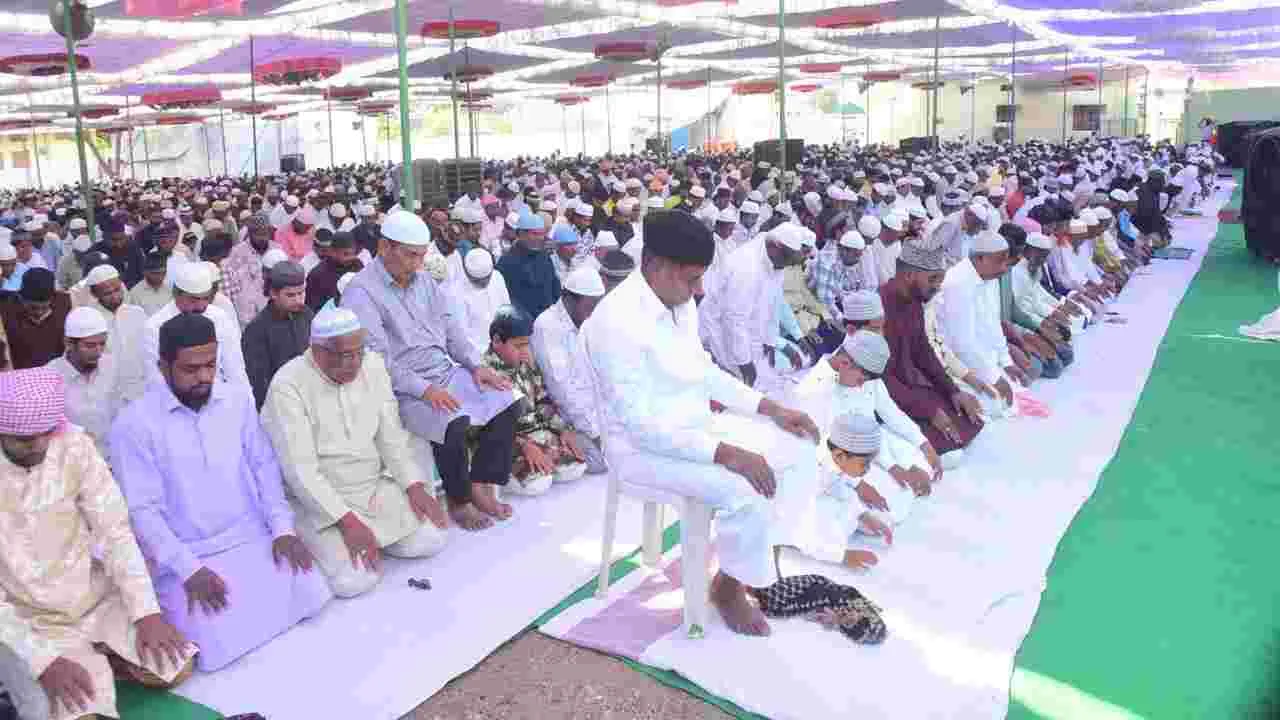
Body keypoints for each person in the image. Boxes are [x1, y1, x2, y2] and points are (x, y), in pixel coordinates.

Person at [579, 210, 821, 636]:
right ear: (656, 266)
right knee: (746, 489)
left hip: (695, 428)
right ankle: (731, 587)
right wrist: (728, 455)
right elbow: (640, 427)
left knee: (800, 450)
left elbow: (704, 371)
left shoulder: (679, 301)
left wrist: (772, 409)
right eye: (692, 279)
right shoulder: (614, 323)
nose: (700, 290)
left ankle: (739, 570)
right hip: (640, 452)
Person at [109, 313, 332, 672]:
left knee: (313, 595)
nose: (203, 376)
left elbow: (263, 467)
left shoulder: (237, 400)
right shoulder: (133, 425)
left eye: (210, 365)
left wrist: (282, 530)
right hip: (191, 555)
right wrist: (188, 570)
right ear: (163, 367)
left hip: (251, 536)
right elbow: (142, 511)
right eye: (190, 368)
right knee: (220, 650)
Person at [0, 368, 195, 720]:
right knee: (78, 715)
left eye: (46, 434)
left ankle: (108, 656)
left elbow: (115, 531)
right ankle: (82, 666)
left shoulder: (73, 445)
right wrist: (42, 661)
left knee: (177, 666)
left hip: (93, 598)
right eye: (25, 440)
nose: (39, 446)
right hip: (30, 621)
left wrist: (146, 612)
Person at [343, 211, 520, 532]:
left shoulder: (424, 280)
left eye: (422, 256)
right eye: (411, 255)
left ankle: (480, 484)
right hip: (401, 389)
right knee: (452, 422)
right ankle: (459, 500)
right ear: (384, 247)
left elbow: (451, 328)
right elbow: (376, 361)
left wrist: (476, 365)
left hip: (445, 372)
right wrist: (424, 390)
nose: (417, 264)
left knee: (508, 399)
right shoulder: (361, 291)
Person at [262, 305, 449, 598]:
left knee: (432, 538)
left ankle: (372, 537)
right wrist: (347, 522)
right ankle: (356, 539)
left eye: (359, 351)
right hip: (320, 504)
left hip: (370, 488)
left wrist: (413, 485)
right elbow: (301, 472)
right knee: (354, 581)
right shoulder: (288, 385)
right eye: (346, 355)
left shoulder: (372, 365)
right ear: (318, 351)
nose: (355, 363)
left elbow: (390, 435)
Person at [879, 239, 984, 460]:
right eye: (933, 279)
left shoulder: (914, 302)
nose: (938, 286)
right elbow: (877, 377)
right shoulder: (878, 308)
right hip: (883, 393)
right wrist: (927, 410)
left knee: (968, 419)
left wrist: (952, 390)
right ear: (909, 275)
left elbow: (923, 352)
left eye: (940, 279)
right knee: (950, 454)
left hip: (909, 385)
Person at [480, 305, 590, 495]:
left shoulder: (525, 362)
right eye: (518, 346)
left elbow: (543, 402)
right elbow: (486, 429)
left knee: (575, 468)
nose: (524, 351)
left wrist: (563, 430)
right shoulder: (483, 373)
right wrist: (523, 446)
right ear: (497, 341)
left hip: (537, 435)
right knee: (538, 484)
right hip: (507, 444)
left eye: (526, 344)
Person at [703, 225, 807, 390]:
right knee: (736, 387)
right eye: (787, 261)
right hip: (721, 330)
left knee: (764, 384)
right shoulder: (747, 266)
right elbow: (734, 319)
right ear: (775, 247)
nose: (786, 266)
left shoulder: (776, 259)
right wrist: (744, 362)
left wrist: (770, 340)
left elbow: (773, 304)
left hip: (748, 332)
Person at [937, 230, 1026, 419]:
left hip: (982, 357)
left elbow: (993, 324)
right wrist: (994, 377)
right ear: (980, 258)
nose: (1004, 268)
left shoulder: (989, 276)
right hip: (955, 361)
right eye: (999, 261)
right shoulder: (957, 283)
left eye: (1005, 261)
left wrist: (1006, 361)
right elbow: (962, 344)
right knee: (994, 405)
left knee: (1016, 387)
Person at [530, 266, 608, 474]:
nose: (593, 313)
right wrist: (595, 432)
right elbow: (561, 389)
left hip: (593, 413)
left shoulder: (586, 321)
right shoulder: (547, 326)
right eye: (590, 306)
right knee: (600, 461)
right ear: (570, 299)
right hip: (562, 418)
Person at [799, 412, 896, 569]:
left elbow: (842, 490)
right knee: (825, 523)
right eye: (865, 464)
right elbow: (796, 521)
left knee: (880, 516)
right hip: (797, 513)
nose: (868, 470)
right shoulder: (811, 474)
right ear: (840, 456)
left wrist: (864, 516)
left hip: (824, 500)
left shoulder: (834, 462)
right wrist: (842, 556)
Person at [143, 262, 250, 391]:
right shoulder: (155, 327)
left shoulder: (220, 317)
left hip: (219, 397)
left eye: (206, 298)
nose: (201, 306)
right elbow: (156, 381)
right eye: (194, 299)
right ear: (176, 295)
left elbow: (236, 372)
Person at [44, 307, 127, 457]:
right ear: (68, 343)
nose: (98, 351)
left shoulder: (112, 365)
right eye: (90, 345)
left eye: (102, 344)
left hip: (113, 456)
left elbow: (120, 412)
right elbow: (48, 425)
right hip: (72, 461)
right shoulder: (49, 376)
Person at [242, 261, 312, 409]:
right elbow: (260, 383)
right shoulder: (257, 330)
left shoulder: (306, 314)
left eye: (301, 293)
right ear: (273, 293)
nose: (298, 300)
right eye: (290, 295)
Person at [495, 211, 560, 320]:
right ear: (521, 234)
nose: (539, 238)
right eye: (534, 234)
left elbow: (554, 288)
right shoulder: (507, 262)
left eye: (541, 234)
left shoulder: (544, 256)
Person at [1, 268, 70, 370]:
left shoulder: (66, 304)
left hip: (57, 373)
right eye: (33, 307)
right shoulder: (6, 309)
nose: (39, 312)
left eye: (44, 307)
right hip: (19, 374)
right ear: (20, 298)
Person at [222, 213, 281, 327]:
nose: (262, 238)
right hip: (247, 315)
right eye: (258, 234)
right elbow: (231, 286)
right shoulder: (237, 252)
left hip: (273, 311)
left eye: (265, 233)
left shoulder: (277, 250)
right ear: (250, 233)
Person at [455, 247, 511, 354]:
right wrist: (485, 351)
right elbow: (461, 335)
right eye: (478, 281)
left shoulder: (497, 277)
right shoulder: (456, 292)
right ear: (467, 273)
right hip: (476, 353)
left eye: (487, 278)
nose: (484, 283)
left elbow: (507, 311)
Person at [305, 231, 363, 312]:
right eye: (346, 254)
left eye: (354, 253)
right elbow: (312, 308)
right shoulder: (317, 275)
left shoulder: (357, 265)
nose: (351, 257)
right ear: (332, 252)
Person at [130, 248, 173, 317]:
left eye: (163, 273)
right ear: (145, 272)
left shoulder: (171, 288)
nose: (160, 277)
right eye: (156, 273)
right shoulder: (135, 293)